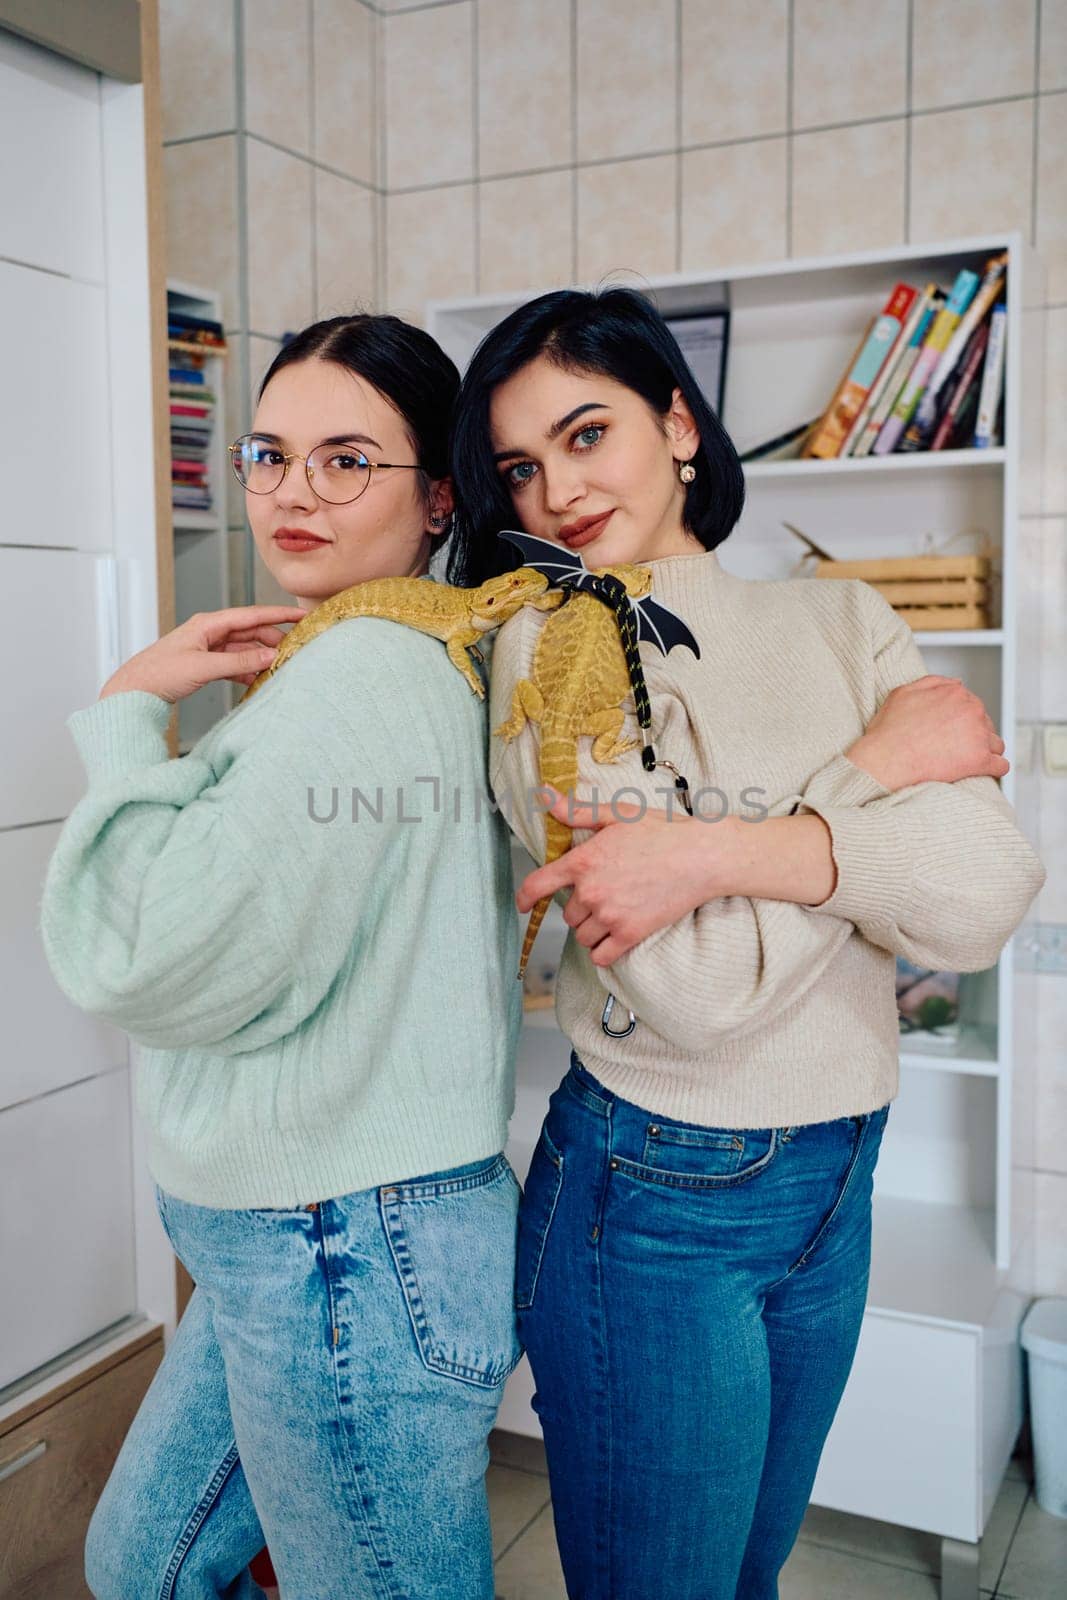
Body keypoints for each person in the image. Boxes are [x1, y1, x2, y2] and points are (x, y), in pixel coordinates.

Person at [446, 285, 1046, 1600]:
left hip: (837, 1179)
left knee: (747, 1580)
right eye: (518, 469)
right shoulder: (552, 651)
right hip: (651, 1202)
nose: (554, 492)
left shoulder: (838, 620)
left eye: (586, 434)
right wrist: (866, 778)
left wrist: (712, 851)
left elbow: (983, 895)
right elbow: (699, 994)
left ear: (674, 422)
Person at [39, 314, 524, 1600]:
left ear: (435, 498)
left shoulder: (358, 672)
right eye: (270, 452)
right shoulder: (405, 649)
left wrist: (130, 712)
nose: (294, 491)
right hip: (320, 1238)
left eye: (346, 458)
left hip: (341, 1250)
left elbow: (153, 955)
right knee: (140, 1561)